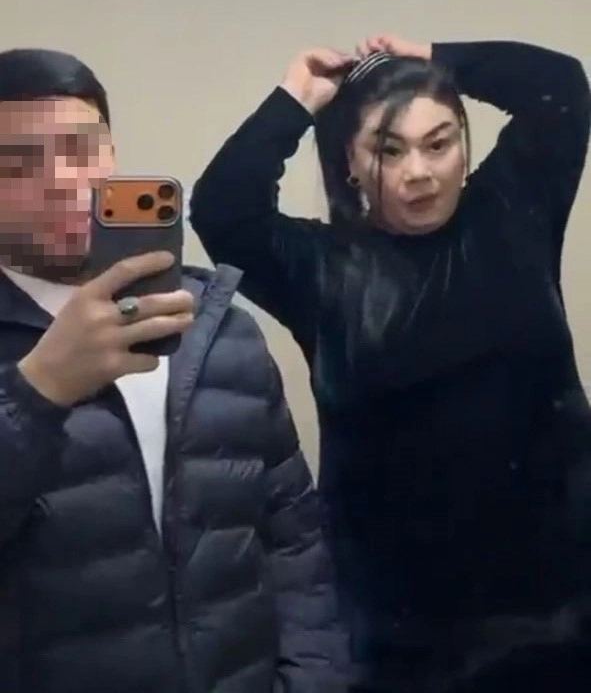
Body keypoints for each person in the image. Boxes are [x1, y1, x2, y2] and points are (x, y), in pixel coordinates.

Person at [189, 34, 591, 691]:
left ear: (464, 146)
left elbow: (560, 85)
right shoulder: (317, 269)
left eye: (439, 143)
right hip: (403, 633)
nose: (419, 172)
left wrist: (435, 54)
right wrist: (295, 99)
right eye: (389, 150)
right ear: (350, 161)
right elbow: (223, 209)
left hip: (564, 602)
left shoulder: (514, 209)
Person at [0, 48, 350, 693]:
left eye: (80, 148)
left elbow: (293, 540)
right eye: (19, 163)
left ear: (111, 152)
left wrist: (312, 680)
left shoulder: (220, 331)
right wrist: (37, 390)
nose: (61, 179)